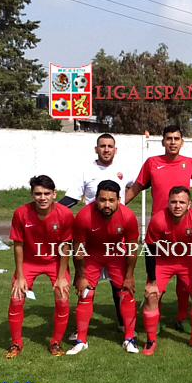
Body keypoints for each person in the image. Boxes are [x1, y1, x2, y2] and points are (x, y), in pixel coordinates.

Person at [126, 125, 192, 333]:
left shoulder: (189, 163)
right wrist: (119, 206)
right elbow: (136, 187)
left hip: (184, 230)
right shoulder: (152, 163)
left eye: (176, 138)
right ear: (162, 142)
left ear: (182, 142)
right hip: (159, 231)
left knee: (185, 278)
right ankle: (156, 318)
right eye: (169, 138)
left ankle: (181, 317)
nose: (172, 142)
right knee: (156, 278)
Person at [59, 133, 135, 341]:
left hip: (116, 235)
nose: (106, 149)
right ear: (96, 149)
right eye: (102, 146)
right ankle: (81, 329)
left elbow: (139, 184)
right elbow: (72, 197)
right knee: (85, 284)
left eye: (110, 146)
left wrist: (124, 203)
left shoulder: (124, 169)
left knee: (118, 284)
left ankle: (122, 323)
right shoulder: (86, 170)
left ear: (115, 149)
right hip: (92, 235)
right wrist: (53, 211)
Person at [68, 180, 140, 354]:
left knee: (126, 292)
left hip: (116, 254)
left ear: (119, 200)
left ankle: (129, 339)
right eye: (102, 200)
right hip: (92, 255)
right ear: (95, 199)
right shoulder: (84, 215)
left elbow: (132, 250)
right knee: (85, 293)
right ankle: (81, 340)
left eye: (111, 200)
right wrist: (80, 276)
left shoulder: (128, 216)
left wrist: (129, 277)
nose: (107, 204)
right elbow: (78, 250)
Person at [5, 175, 73, 358]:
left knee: (62, 296)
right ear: (32, 194)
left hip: (55, 262)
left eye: (47, 193)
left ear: (54, 194)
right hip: (29, 262)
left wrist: (61, 277)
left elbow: (65, 247)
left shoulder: (65, 214)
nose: (42, 198)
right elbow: (18, 245)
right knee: (16, 296)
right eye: (38, 193)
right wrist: (20, 277)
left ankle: (55, 342)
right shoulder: (21, 213)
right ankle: (16, 343)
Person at [142, 186, 192, 355]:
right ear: (168, 203)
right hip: (163, 260)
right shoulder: (158, 220)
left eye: (182, 202)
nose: (177, 206)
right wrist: (152, 281)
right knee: (151, 295)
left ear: (189, 205)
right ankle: (150, 340)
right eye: (173, 202)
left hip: (187, 259)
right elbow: (149, 250)